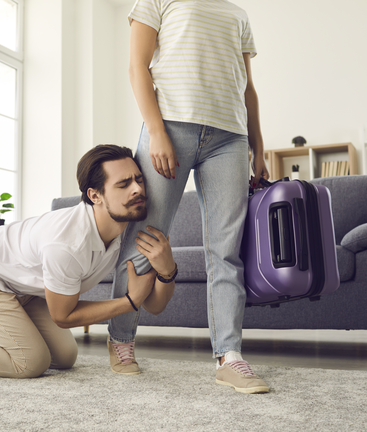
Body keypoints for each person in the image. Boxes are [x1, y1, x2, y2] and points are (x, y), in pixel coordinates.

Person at [0, 144, 178, 378]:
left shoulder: (133, 228)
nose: (138, 189)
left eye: (139, 179)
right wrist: (127, 303)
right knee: (30, 363)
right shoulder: (67, 244)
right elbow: (63, 316)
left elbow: (153, 305)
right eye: (124, 184)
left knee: (65, 357)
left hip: (22, 288)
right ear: (95, 196)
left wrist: (167, 271)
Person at [106, 0, 271, 394]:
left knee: (226, 250)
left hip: (230, 138)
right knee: (144, 239)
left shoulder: (238, 14)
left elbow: (247, 87)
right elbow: (137, 67)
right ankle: (121, 339)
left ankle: (229, 357)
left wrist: (259, 146)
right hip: (171, 127)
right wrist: (156, 130)